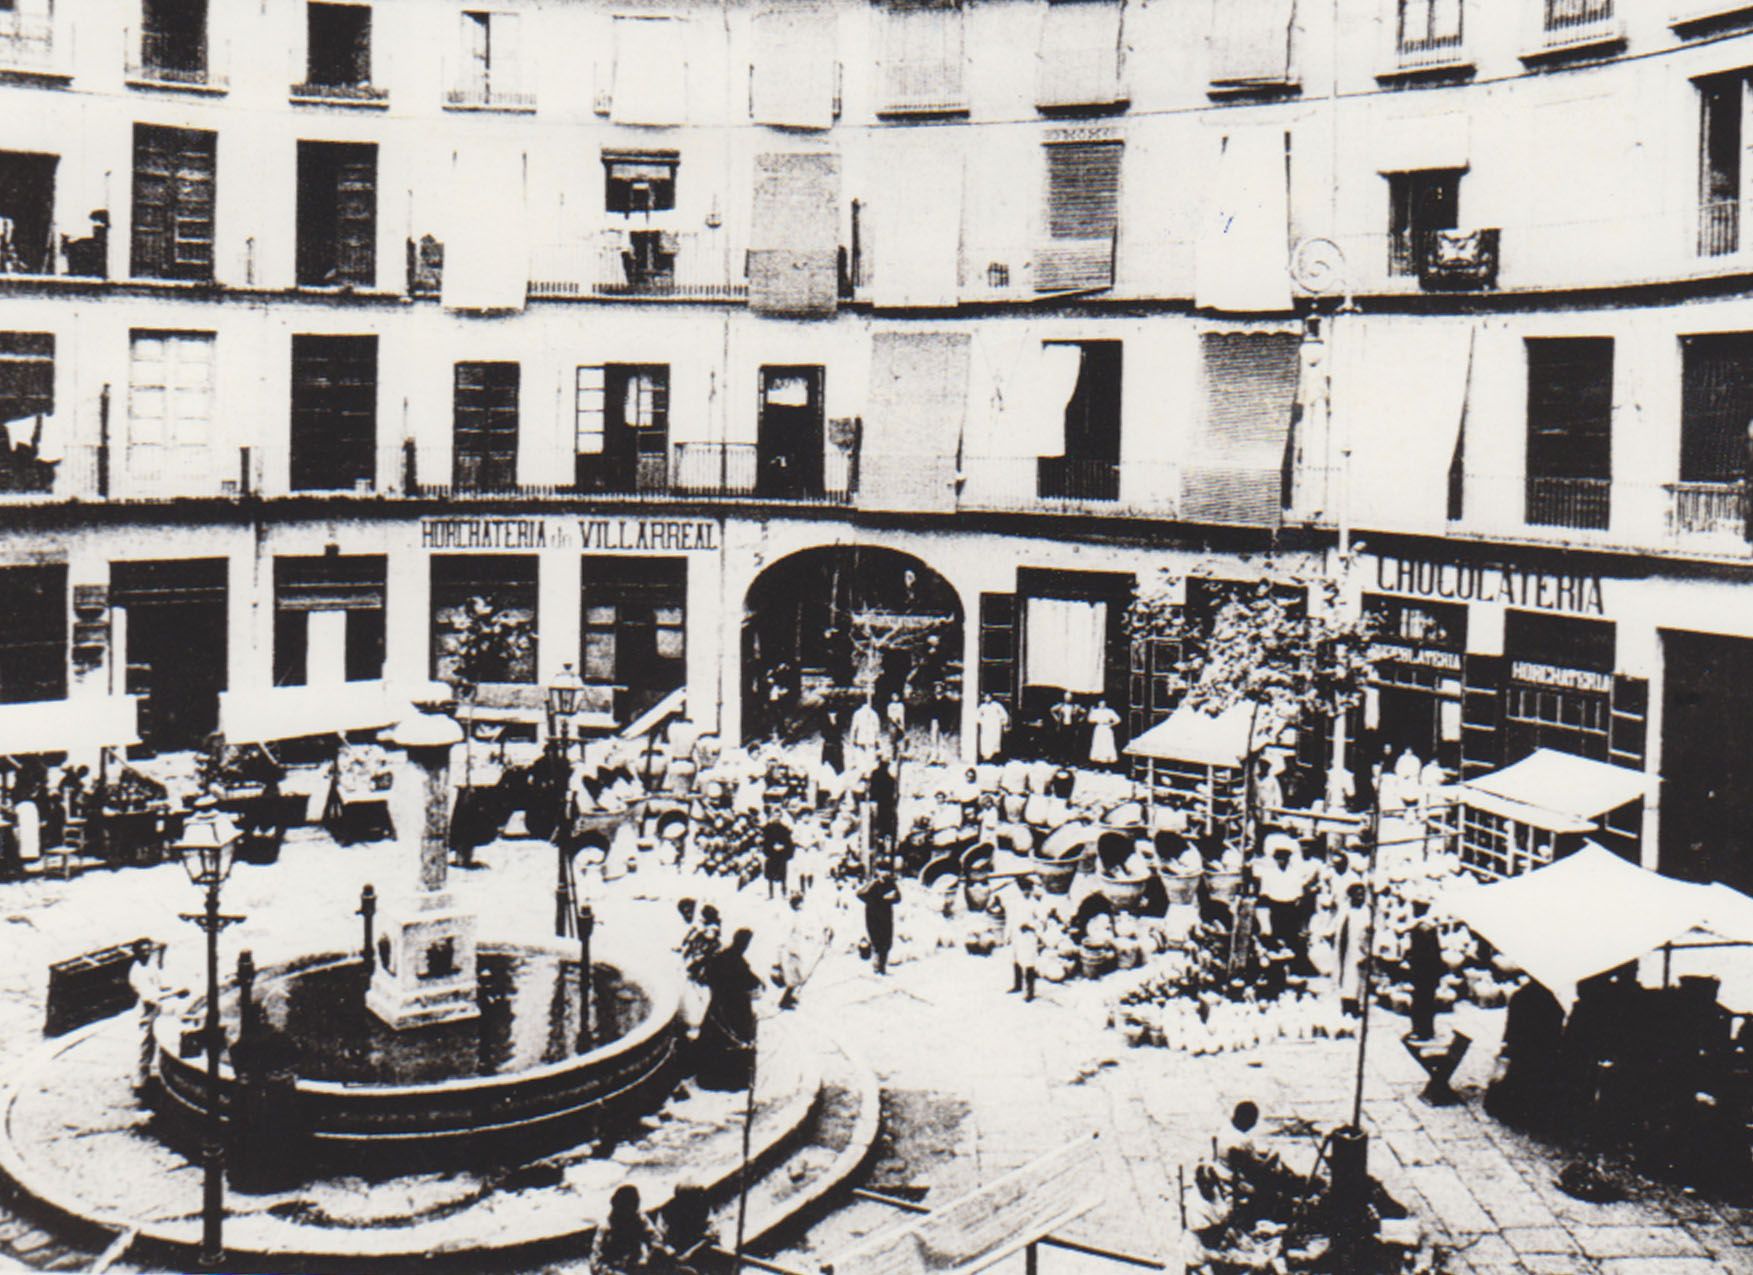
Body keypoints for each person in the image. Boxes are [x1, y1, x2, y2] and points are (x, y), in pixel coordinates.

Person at [696, 928, 761, 1091]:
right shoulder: (737, 961)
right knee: (733, 1040)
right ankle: (731, 1080)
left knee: (715, 1039)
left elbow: (709, 976)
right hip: (735, 1007)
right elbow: (748, 980)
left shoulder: (723, 957)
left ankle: (710, 1077)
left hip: (719, 1005)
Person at [589, 1184, 669, 1275]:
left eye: (634, 1206)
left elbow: (654, 1237)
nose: (631, 1211)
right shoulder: (606, 1228)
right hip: (614, 1269)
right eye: (627, 1207)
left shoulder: (638, 1218)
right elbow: (595, 1264)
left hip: (634, 1265)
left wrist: (655, 1251)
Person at [127, 941, 166, 1093]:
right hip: (146, 1012)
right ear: (137, 953)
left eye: (148, 950)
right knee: (144, 1046)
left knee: (149, 1045)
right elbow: (149, 997)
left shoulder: (149, 965)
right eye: (143, 951)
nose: (147, 953)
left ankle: (144, 1079)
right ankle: (139, 1084)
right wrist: (173, 994)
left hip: (153, 1010)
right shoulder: (137, 971)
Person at [1405, 894, 1443, 1041]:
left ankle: (1420, 1031)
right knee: (1427, 1002)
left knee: (1420, 1003)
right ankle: (1427, 1030)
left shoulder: (1420, 929)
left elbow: (1422, 954)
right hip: (1430, 972)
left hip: (1422, 972)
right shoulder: (1429, 927)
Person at [1332, 880, 1370, 1017]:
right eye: (1358, 894)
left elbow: (1369, 932)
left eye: (1363, 894)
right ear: (1351, 896)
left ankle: (1355, 1007)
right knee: (1343, 975)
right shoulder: (1344, 908)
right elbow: (1337, 926)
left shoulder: (1366, 911)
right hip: (1344, 946)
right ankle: (1344, 1005)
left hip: (1358, 948)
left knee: (1356, 978)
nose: (1361, 897)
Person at [857, 868, 902, 975]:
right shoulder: (873, 884)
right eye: (882, 871)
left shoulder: (890, 884)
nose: (884, 874)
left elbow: (898, 898)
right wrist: (879, 898)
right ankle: (876, 967)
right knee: (876, 942)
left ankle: (882, 968)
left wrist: (889, 898)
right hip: (873, 918)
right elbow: (860, 894)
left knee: (886, 943)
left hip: (886, 917)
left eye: (886, 871)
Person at [1005, 875, 1042, 1001]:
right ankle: (1017, 985)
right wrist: (1008, 935)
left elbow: (1042, 921)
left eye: (1028, 889)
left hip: (1029, 937)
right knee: (1016, 960)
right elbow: (1010, 919)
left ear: (1031, 890)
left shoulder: (1035, 904)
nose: (1025, 892)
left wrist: (1030, 926)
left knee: (1028, 962)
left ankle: (1030, 992)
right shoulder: (1016, 903)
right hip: (1017, 936)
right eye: (1023, 890)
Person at [760, 819, 794, 901]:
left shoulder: (784, 828)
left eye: (778, 816)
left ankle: (784, 893)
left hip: (781, 855)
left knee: (783, 875)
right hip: (771, 854)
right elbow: (765, 842)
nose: (776, 818)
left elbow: (788, 841)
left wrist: (783, 847)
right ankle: (770, 894)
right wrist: (771, 848)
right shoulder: (767, 828)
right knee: (770, 876)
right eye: (774, 815)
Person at [1086, 699, 1121, 769]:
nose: (1102, 704)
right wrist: (1091, 711)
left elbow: (1118, 719)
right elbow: (1090, 720)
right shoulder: (1096, 711)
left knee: (1107, 747)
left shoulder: (1109, 711)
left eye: (1103, 703)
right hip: (1099, 729)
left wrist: (1111, 724)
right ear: (1098, 704)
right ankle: (1097, 767)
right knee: (1098, 746)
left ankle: (1107, 768)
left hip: (1106, 729)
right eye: (1100, 703)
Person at [1049, 691, 1081, 765]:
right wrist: (1056, 718)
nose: (1068, 699)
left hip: (1071, 726)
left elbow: (1084, 712)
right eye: (1066, 697)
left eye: (1069, 697)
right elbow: (1052, 710)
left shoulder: (1075, 707)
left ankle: (1069, 759)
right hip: (1062, 726)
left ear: (1072, 698)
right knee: (1062, 742)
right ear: (1064, 698)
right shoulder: (1061, 706)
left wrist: (1079, 719)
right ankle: (1061, 759)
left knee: (1070, 743)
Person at [976, 695, 1010, 762]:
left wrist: (1003, 722)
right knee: (986, 741)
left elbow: (1004, 715)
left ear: (991, 698)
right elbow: (977, 716)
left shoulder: (997, 705)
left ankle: (994, 757)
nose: (987, 699)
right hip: (986, 727)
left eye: (988, 697)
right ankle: (986, 757)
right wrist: (982, 721)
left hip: (995, 727)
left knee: (994, 741)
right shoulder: (983, 706)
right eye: (986, 697)